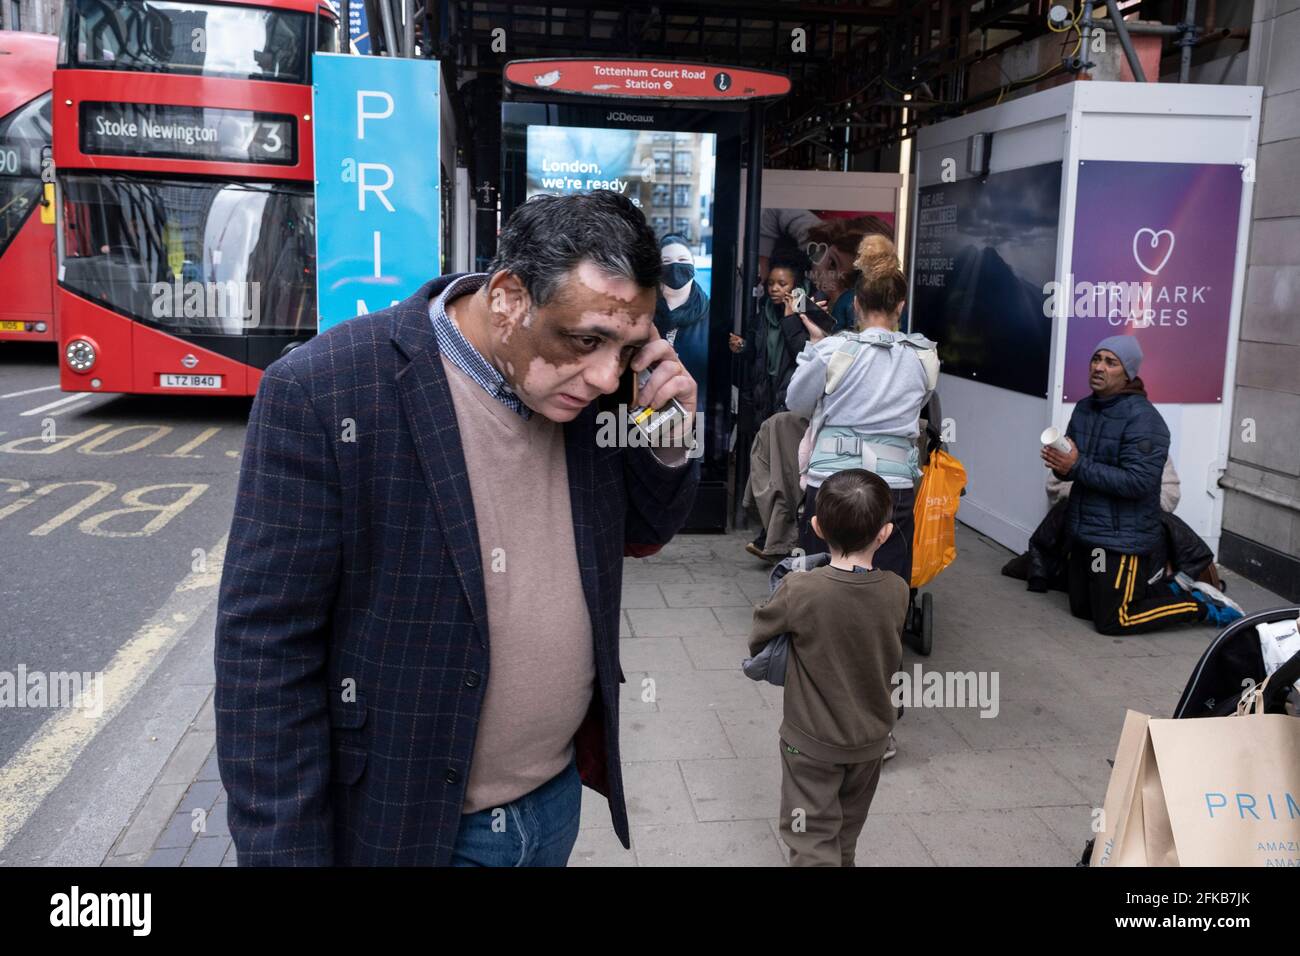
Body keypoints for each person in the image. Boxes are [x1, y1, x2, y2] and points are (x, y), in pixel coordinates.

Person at [214, 191, 700, 867]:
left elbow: (646, 528)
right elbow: (264, 656)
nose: (604, 374)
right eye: (585, 340)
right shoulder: (325, 391)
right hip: (414, 826)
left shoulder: (599, 389)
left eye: (625, 346)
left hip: (554, 804)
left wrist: (669, 434)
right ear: (507, 297)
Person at [747, 469, 907, 867]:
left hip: (811, 741)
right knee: (845, 832)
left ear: (816, 527)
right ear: (884, 534)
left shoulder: (802, 589)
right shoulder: (898, 590)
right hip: (870, 741)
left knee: (811, 837)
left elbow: (760, 634)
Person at [1041, 335, 1241, 634]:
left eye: (1111, 362)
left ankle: (1201, 605)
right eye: (1096, 359)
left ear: (1128, 373)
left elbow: (1139, 483)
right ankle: (1167, 589)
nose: (1099, 367)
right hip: (1086, 533)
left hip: (1123, 540)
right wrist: (1062, 467)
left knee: (1114, 620)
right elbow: (1077, 470)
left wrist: (1077, 465)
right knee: (1082, 609)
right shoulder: (1084, 408)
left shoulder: (1145, 420)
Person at [785, 237, 938, 583]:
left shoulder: (833, 351)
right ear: (900, 306)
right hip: (893, 487)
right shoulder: (923, 357)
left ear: (855, 304)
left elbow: (795, 401)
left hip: (832, 483)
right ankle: (882, 635)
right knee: (889, 582)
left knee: (822, 577)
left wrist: (814, 345)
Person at [653, 234, 711, 411]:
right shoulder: (645, 314)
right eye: (667, 261)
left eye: (682, 259)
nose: (675, 266)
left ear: (692, 264)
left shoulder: (709, 315)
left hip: (698, 416)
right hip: (647, 416)